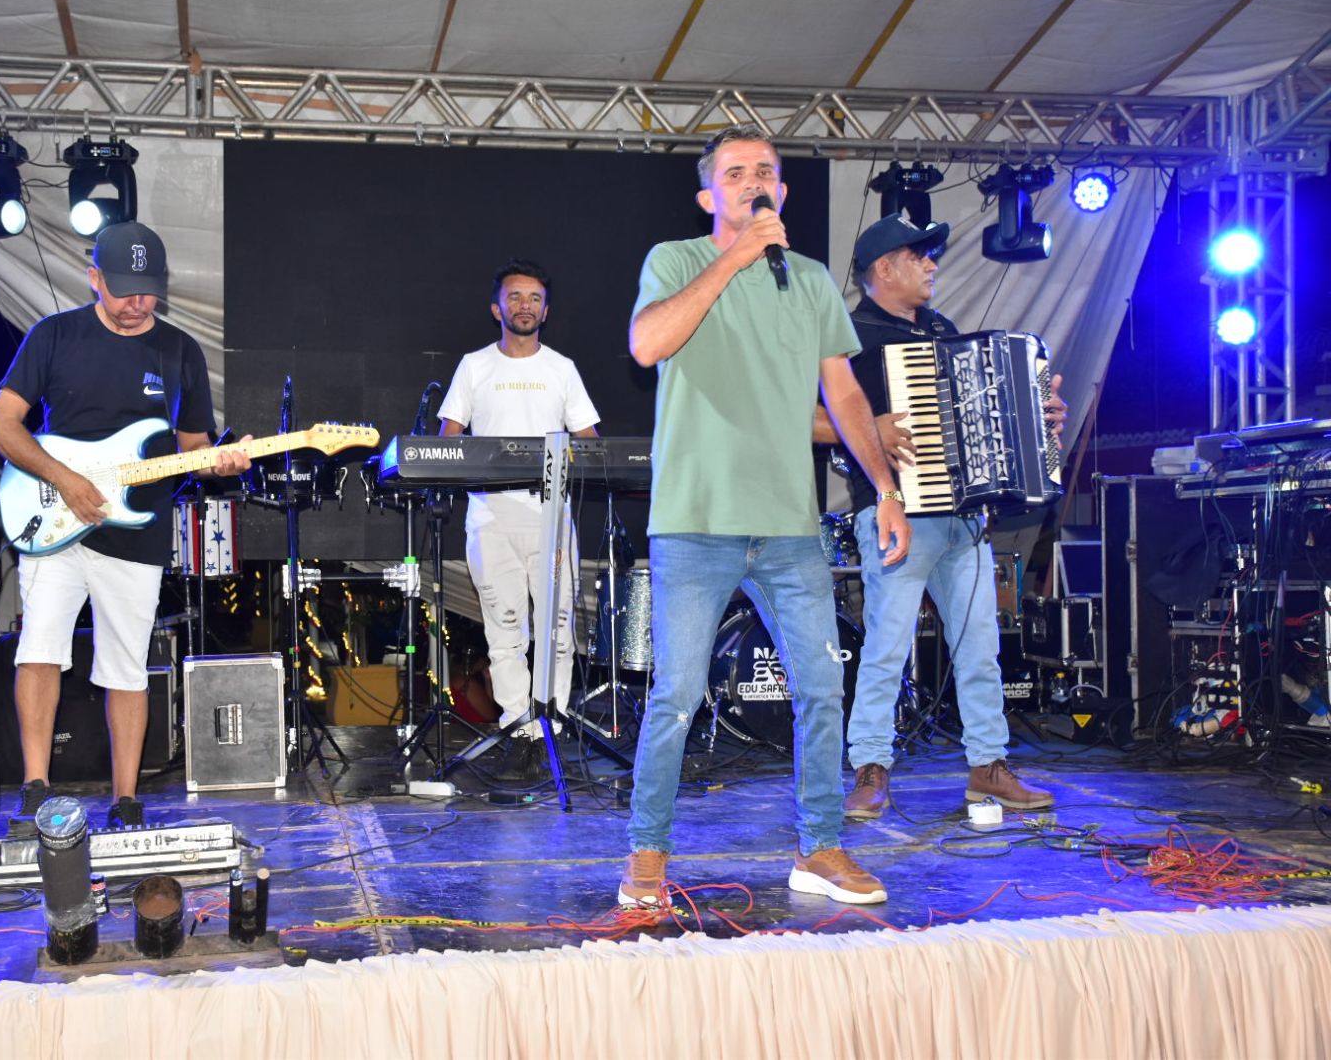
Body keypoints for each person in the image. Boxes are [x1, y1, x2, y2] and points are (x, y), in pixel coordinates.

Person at [621, 126, 911, 909]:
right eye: (735, 173)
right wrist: (736, 256)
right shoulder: (676, 259)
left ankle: (820, 847)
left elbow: (843, 395)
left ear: (781, 192)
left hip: (788, 527)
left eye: (765, 172)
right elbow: (646, 345)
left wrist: (885, 488)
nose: (753, 181)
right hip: (695, 519)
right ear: (708, 196)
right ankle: (647, 855)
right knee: (677, 696)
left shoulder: (810, 280)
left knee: (822, 687)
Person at [0, 221, 251, 829]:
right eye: (125, 289)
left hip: (136, 532)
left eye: (149, 291)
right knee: (39, 651)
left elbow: (194, 446)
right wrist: (65, 480)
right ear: (94, 279)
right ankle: (35, 789)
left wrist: (220, 462)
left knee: (127, 667)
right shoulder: (54, 335)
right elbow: (1, 425)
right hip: (55, 520)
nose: (138, 303)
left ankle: (126, 801)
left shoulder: (179, 350)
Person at [818, 212, 1067, 821]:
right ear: (884, 269)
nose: (932, 265)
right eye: (919, 256)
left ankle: (988, 766)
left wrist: (1038, 418)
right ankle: (870, 766)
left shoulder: (942, 330)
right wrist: (868, 428)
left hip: (964, 516)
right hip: (894, 512)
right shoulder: (847, 334)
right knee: (887, 648)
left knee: (980, 647)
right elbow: (804, 416)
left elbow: (986, 420)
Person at [438, 259, 601, 777]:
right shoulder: (474, 366)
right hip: (490, 517)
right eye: (515, 297)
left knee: (557, 629)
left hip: (551, 517)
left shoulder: (562, 369)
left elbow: (591, 442)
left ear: (545, 311)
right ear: (497, 308)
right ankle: (518, 729)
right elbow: (448, 439)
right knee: (505, 629)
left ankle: (550, 728)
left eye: (534, 298)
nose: (525, 305)